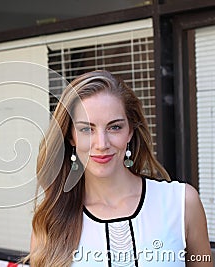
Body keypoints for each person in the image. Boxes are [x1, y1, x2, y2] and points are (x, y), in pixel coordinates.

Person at [26, 70, 212, 266]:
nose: (101, 143)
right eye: (86, 129)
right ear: (71, 137)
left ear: (130, 131)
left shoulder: (182, 202)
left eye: (114, 127)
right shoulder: (51, 219)